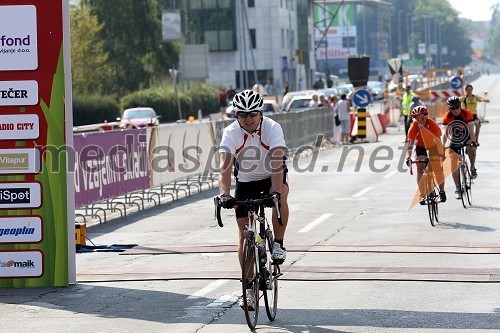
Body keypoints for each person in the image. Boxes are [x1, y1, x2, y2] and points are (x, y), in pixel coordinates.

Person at [218, 90, 289, 310]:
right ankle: (249, 289)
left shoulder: (272, 128)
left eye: (253, 113)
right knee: (243, 233)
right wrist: (224, 195)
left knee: (282, 195)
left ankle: (278, 243)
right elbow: (224, 169)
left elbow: (277, 164)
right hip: (246, 181)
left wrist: (275, 193)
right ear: (236, 115)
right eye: (243, 114)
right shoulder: (230, 133)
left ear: (261, 113)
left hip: (271, 176)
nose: (248, 118)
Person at [406, 106, 446, 204]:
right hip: (421, 146)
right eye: (417, 118)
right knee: (420, 167)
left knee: (437, 169)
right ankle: (423, 193)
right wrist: (409, 157)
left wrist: (441, 153)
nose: (420, 120)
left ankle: (441, 191)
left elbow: (438, 141)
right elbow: (410, 144)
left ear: (426, 116)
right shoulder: (413, 127)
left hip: (433, 145)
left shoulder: (432, 124)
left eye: (422, 118)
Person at [442, 96, 477, 199]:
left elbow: (471, 129)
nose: (456, 110)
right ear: (449, 109)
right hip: (455, 136)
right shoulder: (447, 116)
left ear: (460, 106)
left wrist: (474, 143)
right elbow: (445, 134)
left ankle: (472, 166)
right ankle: (458, 187)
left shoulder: (466, 113)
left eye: (457, 107)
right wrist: (443, 147)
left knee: (470, 146)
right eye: (453, 108)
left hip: (466, 134)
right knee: (453, 163)